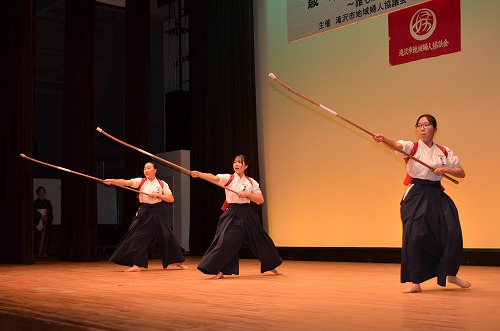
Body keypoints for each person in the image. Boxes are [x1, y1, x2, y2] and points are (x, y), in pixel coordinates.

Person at [372, 114, 471, 293]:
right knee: (414, 236)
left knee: (452, 232)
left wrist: (445, 169)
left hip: (436, 193)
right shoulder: (413, 147)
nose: (423, 128)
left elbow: (461, 172)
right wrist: (383, 139)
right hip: (416, 193)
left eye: (426, 125)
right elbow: (397, 145)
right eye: (419, 125)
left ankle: (451, 274)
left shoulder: (444, 151)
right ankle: (415, 281)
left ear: (435, 129)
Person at [190, 154, 282, 279]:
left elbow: (260, 200)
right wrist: (200, 174)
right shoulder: (228, 178)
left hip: (247, 213)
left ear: (246, 166)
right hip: (232, 213)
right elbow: (214, 178)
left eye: (240, 162)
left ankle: (270, 264)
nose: (236, 164)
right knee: (226, 241)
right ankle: (221, 270)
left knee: (260, 239)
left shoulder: (251, 182)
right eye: (235, 162)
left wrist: (248, 194)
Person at [104, 162, 188, 272]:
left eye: (148, 168)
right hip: (144, 211)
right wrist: (112, 181)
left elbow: (171, 199)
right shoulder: (141, 181)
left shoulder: (162, 184)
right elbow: (126, 182)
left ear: (155, 170)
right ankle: (136, 265)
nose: (146, 170)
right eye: (144, 168)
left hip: (157, 211)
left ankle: (178, 262)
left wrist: (158, 195)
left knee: (167, 236)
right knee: (136, 236)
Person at [33, 186, 53, 258]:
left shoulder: (48, 202)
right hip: (38, 222)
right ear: (38, 193)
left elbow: (50, 212)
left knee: (46, 238)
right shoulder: (35, 203)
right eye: (40, 191)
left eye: (43, 191)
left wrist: (46, 217)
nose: (42, 193)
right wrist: (40, 217)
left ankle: (44, 252)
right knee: (37, 237)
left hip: (46, 222)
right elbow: (34, 212)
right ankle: (36, 252)